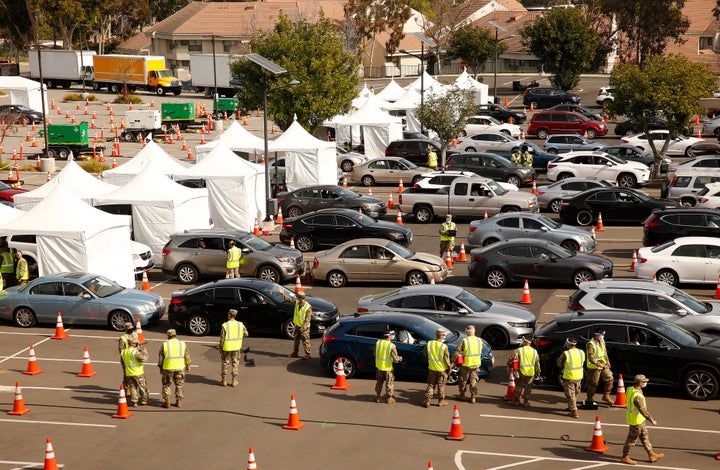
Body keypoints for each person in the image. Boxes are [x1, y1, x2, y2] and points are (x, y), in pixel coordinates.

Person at [621, 374, 664, 465]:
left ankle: (651, 454)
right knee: (631, 440)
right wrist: (651, 420)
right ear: (640, 383)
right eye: (644, 382)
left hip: (639, 420)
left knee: (645, 437)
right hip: (636, 421)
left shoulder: (630, 389)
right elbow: (643, 410)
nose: (645, 383)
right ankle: (625, 457)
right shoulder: (637, 396)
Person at [157, 329, 191, 409]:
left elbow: (161, 358)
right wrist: (188, 366)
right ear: (175, 335)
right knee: (179, 385)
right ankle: (179, 401)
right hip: (180, 367)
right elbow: (187, 356)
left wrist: (160, 367)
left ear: (168, 336)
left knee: (166, 385)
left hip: (168, 368)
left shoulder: (165, 344)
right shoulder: (182, 344)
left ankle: (167, 401)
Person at [452, 325, 484, 404]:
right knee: (473, 380)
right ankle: (473, 397)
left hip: (466, 364)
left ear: (467, 331)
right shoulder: (479, 340)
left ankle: (462, 395)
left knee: (463, 379)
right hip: (476, 364)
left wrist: (452, 362)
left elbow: (457, 351)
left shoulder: (465, 340)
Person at [218, 309, 248, 387]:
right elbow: (246, 334)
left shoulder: (225, 325)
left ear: (229, 315)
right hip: (236, 347)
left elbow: (222, 338)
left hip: (227, 347)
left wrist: (220, 347)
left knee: (225, 363)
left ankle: (223, 381)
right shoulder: (240, 324)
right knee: (235, 363)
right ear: (235, 316)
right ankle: (234, 381)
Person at [556, 337, 585, 418]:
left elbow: (559, 364)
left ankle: (574, 411)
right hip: (579, 376)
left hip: (569, 376)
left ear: (569, 343)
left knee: (570, 394)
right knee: (576, 393)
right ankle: (571, 407)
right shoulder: (581, 352)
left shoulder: (566, 353)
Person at [507, 336, 539, 407]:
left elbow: (514, 360)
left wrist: (510, 366)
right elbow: (537, 363)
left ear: (525, 341)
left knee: (518, 386)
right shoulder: (534, 351)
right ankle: (526, 402)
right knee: (528, 388)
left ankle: (516, 401)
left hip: (521, 371)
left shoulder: (519, 350)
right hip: (531, 372)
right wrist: (538, 372)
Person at [423, 328, 451, 407]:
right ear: (441, 335)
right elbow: (447, 359)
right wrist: (449, 369)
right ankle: (440, 401)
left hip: (432, 368)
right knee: (440, 386)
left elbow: (425, 354)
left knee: (431, 385)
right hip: (442, 370)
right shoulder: (444, 346)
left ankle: (427, 400)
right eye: (444, 335)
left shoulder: (429, 343)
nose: (444, 337)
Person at [586, 328, 614, 405]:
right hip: (593, 367)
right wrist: (600, 365)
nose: (603, 336)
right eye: (602, 335)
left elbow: (604, 352)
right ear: (596, 335)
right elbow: (591, 358)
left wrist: (608, 362)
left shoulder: (602, 341)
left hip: (603, 365)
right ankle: (589, 397)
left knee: (610, 378)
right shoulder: (590, 344)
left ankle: (606, 395)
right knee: (594, 383)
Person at [375, 329, 402, 404]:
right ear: (389, 336)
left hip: (379, 367)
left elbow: (375, 353)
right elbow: (395, 358)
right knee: (389, 384)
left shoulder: (378, 343)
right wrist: (400, 358)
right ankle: (389, 398)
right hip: (388, 368)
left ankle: (378, 397)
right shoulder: (391, 345)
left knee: (379, 383)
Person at [121, 338, 150, 407]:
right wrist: (145, 352)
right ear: (133, 343)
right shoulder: (135, 352)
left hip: (129, 373)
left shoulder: (124, 351)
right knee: (142, 387)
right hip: (138, 372)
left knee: (132, 388)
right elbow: (143, 359)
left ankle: (134, 402)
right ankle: (144, 400)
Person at [287, 291, 314, 360]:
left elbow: (307, 320)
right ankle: (295, 353)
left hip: (304, 328)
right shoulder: (297, 303)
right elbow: (289, 300)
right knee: (296, 339)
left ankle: (308, 354)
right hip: (297, 325)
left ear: (301, 298)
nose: (296, 299)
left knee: (305, 341)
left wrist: (303, 328)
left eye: (297, 297)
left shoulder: (307, 307)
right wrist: (283, 294)